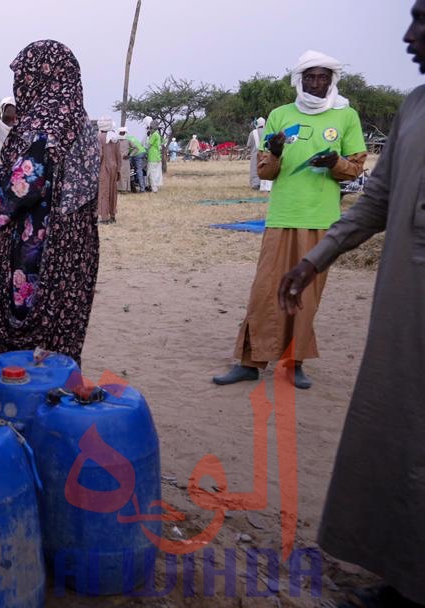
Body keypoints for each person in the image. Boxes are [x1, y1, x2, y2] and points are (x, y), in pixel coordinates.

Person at [278, 8, 425, 604]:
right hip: (404, 309)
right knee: (401, 430)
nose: (407, 36)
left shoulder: (353, 117)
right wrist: (317, 259)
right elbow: (376, 200)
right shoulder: (415, 105)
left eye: (422, 20)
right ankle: (405, 575)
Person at [213, 50, 366, 390]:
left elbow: (355, 168)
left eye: (323, 77)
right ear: (299, 80)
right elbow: (266, 169)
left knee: (306, 294)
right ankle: (250, 362)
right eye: (309, 77)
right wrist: (278, 152)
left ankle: (293, 363)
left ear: (332, 81)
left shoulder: (346, 116)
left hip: (321, 219)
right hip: (281, 217)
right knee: (265, 290)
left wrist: (334, 163)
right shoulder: (280, 114)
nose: (316, 83)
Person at [0, 40, 101, 406]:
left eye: (23, 76)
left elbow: (16, 192)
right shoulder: (82, 123)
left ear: (39, 77)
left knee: (26, 349)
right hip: (75, 252)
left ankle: (22, 425)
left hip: (38, 253)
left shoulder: (42, 124)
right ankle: (61, 418)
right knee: (61, 341)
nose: (20, 85)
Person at [97, 118, 120, 223]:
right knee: (112, 191)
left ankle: (105, 217)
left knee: (104, 192)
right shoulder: (115, 137)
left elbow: (100, 155)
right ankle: (112, 216)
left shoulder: (99, 137)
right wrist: (118, 170)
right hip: (114, 167)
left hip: (104, 168)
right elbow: (118, 155)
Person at [247, 117, 273, 192]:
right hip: (266, 154)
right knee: (265, 169)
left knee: (255, 169)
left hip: (255, 154)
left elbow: (248, 145)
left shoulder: (253, 133)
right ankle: (266, 186)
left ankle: (255, 184)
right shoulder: (268, 132)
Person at [145, 118, 163, 193]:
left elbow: (148, 145)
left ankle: (154, 189)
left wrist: (148, 137)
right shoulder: (158, 135)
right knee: (156, 173)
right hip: (157, 157)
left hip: (152, 157)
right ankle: (152, 187)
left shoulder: (153, 135)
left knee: (151, 174)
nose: (150, 130)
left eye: (150, 128)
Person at [116, 126, 131, 192]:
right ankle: (119, 189)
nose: (121, 134)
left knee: (125, 175)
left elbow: (136, 148)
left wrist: (129, 155)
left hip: (125, 160)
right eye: (120, 133)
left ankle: (125, 189)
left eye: (123, 132)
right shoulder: (116, 141)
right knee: (119, 174)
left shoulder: (128, 140)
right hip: (118, 160)